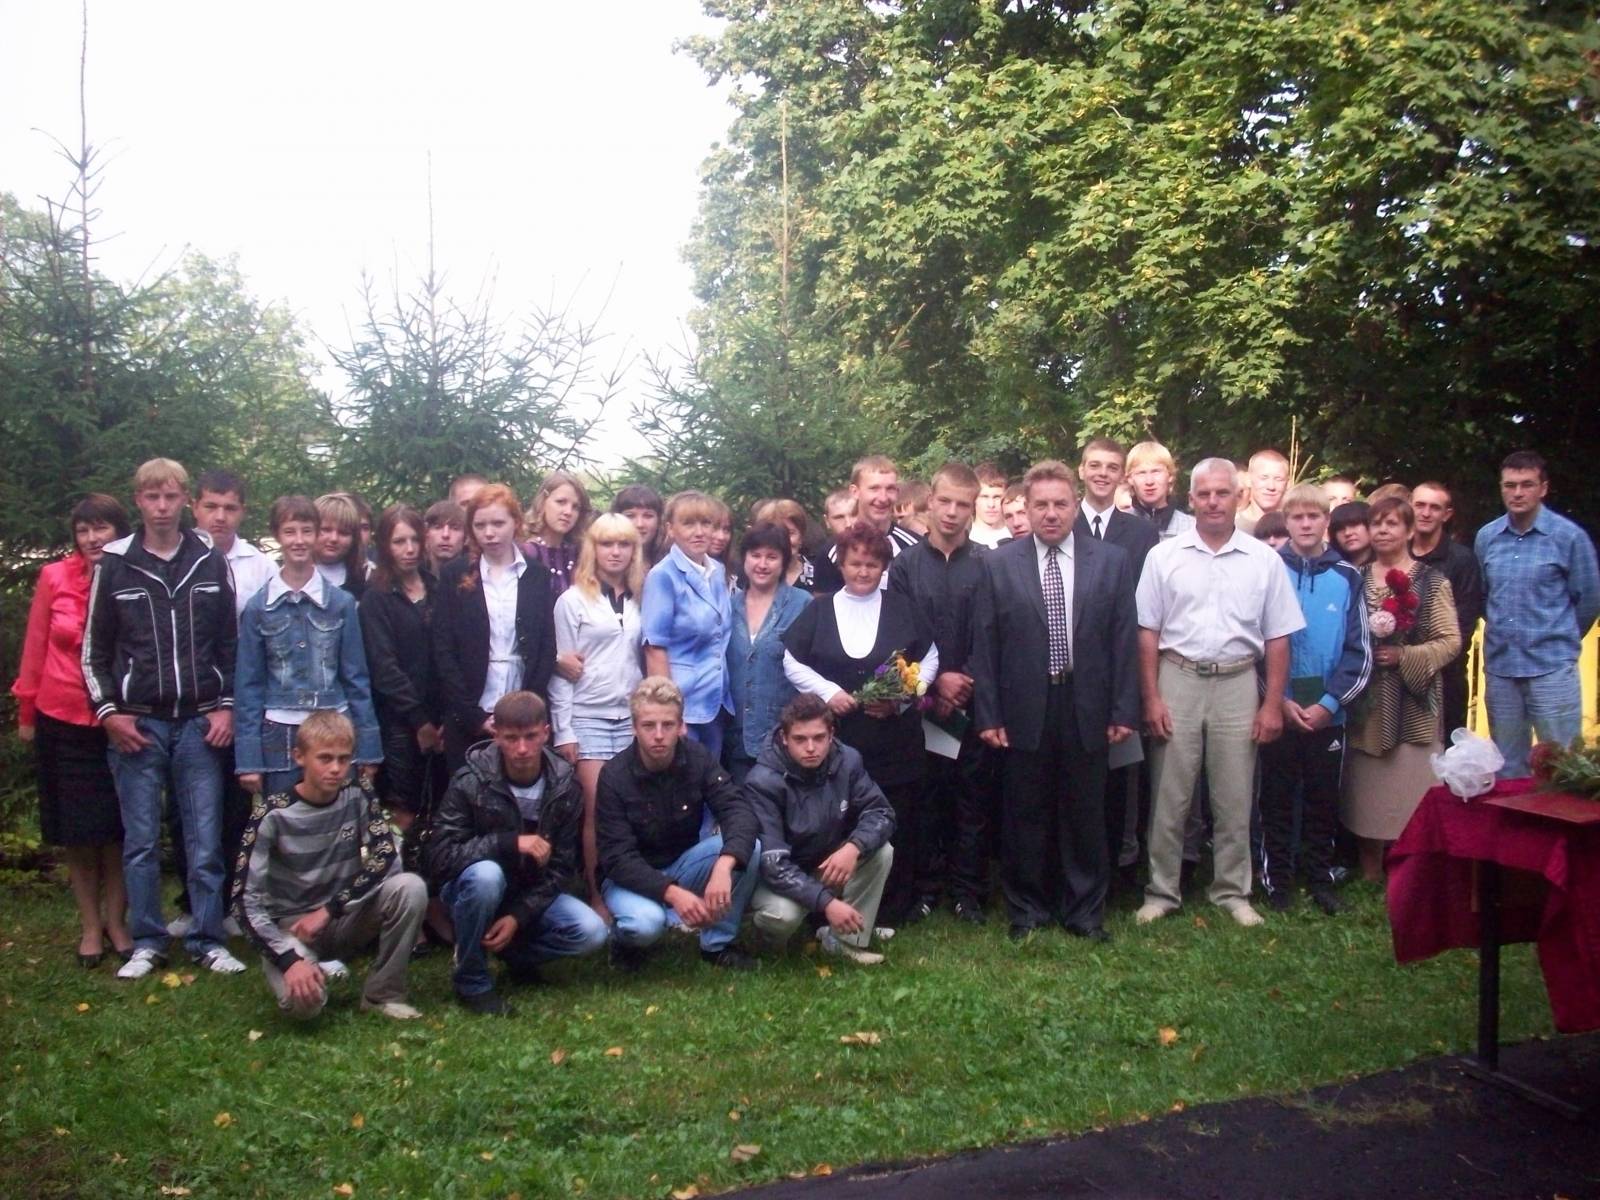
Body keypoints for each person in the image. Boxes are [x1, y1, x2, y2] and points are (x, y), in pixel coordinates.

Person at [82, 458, 244, 979]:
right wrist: (110, 713)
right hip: (138, 726)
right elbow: (93, 652)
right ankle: (148, 941)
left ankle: (208, 938)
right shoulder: (116, 564)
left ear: (184, 501)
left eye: (171, 497)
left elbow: (230, 644)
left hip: (199, 724)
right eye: (152, 497)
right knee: (142, 842)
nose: (161, 507)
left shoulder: (209, 561)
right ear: (138, 501)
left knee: (204, 841)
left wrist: (227, 706)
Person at [971, 460, 1139, 940]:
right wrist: (989, 714)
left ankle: (1084, 911)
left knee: (1085, 812)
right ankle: (1027, 910)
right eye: (1040, 504)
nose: (1050, 513)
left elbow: (1124, 639)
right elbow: (986, 645)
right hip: (1024, 705)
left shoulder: (1111, 561)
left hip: (1087, 704)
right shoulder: (998, 564)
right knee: (1026, 812)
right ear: (1025, 507)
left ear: (1075, 504)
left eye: (1060, 504)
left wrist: (1123, 709)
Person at [1134, 457, 1305, 928]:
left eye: (1222, 493)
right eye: (1204, 494)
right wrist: (1151, 698)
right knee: (1169, 794)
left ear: (1238, 497)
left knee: (1234, 794)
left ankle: (1232, 891)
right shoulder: (1163, 556)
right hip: (1177, 677)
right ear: (1191, 499)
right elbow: (1147, 632)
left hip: (1237, 682)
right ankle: (1161, 891)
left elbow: (1278, 637)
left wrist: (1272, 704)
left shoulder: (1264, 561)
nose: (1213, 502)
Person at [783, 521, 938, 926]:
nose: (863, 571)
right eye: (855, 564)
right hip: (838, 740)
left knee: (897, 817)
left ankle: (892, 910)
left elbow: (930, 658)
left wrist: (904, 697)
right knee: (839, 822)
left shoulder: (903, 607)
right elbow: (791, 660)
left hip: (894, 740)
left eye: (872, 564)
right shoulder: (820, 609)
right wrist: (828, 693)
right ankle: (830, 908)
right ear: (841, 566)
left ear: (883, 566)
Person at [233, 711, 427, 1020]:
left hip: (341, 916)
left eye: (343, 759)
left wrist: (329, 910)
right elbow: (244, 902)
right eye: (325, 758)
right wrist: (287, 959)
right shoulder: (271, 814)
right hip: (292, 929)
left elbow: (385, 858)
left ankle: (383, 994)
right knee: (305, 1007)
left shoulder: (358, 794)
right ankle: (301, 966)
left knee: (410, 887)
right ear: (299, 757)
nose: (336, 768)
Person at [425, 690, 608, 1015]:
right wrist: (507, 843)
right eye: (511, 738)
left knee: (591, 932)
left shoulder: (565, 785)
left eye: (530, 737)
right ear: (496, 735)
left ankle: (515, 954)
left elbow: (561, 867)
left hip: (529, 892)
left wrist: (518, 916)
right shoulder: (470, 780)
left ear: (546, 733)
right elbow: (439, 857)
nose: (522, 748)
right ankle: (471, 981)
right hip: (473, 889)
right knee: (487, 876)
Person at [12, 494, 133, 968]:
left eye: (101, 528)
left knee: (118, 829)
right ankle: (89, 926)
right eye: (83, 530)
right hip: (61, 717)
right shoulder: (54, 577)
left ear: (119, 531)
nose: (91, 538)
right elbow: (36, 644)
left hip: (118, 720)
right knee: (78, 833)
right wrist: (26, 713)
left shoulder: (132, 575)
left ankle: (118, 922)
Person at [594, 677, 760, 971]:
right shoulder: (613, 775)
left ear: (681, 726)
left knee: (751, 848)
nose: (658, 735)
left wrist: (724, 866)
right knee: (646, 924)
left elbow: (738, 810)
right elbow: (616, 859)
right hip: (627, 878)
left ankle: (718, 945)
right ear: (634, 728)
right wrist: (673, 894)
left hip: (682, 864)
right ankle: (624, 941)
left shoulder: (698, 758)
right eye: (648, 725)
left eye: (668, 725)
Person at [1258, 484, 1372, 914]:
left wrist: (1330, 703)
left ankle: (1321, 878)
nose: (1306, 525)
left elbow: (1360, 650)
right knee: (1276, 797)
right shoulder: (1267, 569)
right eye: (1297, 517)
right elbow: (1252, 642)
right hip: (1279, 709)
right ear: (1286, 521)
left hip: (1327, 713)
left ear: (1327, 521)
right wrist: (1276, 700)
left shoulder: (1348, 577)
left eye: (1314, 517)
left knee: (1323, 799)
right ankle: (1278, 880)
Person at [888, 463, 992, 922]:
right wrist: (936, 681)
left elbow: (993, 631)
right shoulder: (905, 566)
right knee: (926, 796)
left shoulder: (987, 563)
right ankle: (926, 887)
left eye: (962, 504)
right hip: (923, 700)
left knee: (973, 796)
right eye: (944, 501)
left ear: (973, 509)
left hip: (974, 698)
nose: (951, 512)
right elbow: (901, 632)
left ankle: (968, 890)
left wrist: (963, 678)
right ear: (929, 501)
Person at [234, 495, 383, 804]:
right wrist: (248, 758)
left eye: (306, 531)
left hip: (334, 728)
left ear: (316, 534)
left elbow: (356, 678)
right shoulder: (259, 607)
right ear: (277, 535)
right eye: (290, 532)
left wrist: (368, 747)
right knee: (283, 818)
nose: (299, 540)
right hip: (278, 733)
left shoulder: (341, 603)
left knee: (338, 820)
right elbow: (249, 685)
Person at [1343, 497, 1461, 879]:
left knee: (1412, 787)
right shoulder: (1354, 578)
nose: (1381, 530)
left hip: (1414, 700)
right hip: (1367, 701)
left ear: (1410, 531)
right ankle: (1369, 869)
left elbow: (1450, 641)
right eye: (1376, 523)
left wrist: (1405, 655)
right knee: (1367, 784)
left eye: (1391, 523)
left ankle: (1411, 871)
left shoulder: (1431, 581)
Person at [744, 694, 897, 965]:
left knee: (881, 851)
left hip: (824, 864)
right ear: (784, 738)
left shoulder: (848, 760)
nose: (811, 748)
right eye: (800, 739)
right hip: (777, 877)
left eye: (819, 738)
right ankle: (765, 943)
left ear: (831, 734)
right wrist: (828, 903)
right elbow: (773, 865)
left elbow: (882, 812)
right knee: (783, 916)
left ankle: (846, 941)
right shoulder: (762, 781)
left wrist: (854, 847)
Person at [1474, 451, 1599, 779]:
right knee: (1506, 768)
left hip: (1551, 669)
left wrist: (1556, 636)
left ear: (1543, 488)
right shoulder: (1487, 537)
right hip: (1502, 669)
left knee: (1564, 765)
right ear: (1501, 488)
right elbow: (1484, 596)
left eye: (1526, 485)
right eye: (1510, 485)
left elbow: (1588, 600)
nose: (1517, 493)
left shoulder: (1569, 537)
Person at [548, 514, 646, 924]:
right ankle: (595, 895)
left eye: (624, 544)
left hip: (631, 716)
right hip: (588, 715)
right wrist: (564, 730)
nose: (615, 552)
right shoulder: (572, 600)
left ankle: (634, 889)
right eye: (607, 544)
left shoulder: (642, 597)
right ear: (593, 549)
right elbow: (561, 670)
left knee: (632, 808)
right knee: (595, 810)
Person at [432, 485, 557, 774]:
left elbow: (545, 647)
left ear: (516, 522)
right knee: (469, 789)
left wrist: (528, 707)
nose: (489, 533)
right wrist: (472, 715)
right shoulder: (456, 574)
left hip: (524, 707)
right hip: (469, 709)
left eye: (498, 523)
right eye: (480, 525)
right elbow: (443, 649)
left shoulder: (536, 575)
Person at [359, 504, 446, 834]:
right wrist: (419, 720)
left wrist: (445, 718)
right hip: (399, 721)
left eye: (414, 540)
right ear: (385, 545)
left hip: (443, 718)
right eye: (399, 541)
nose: (409, 549)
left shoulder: (438, 589)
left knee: (442, 807)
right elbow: (384, 667)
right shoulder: (377, 598)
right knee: (403, 810)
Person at [641, 490, 733, 759]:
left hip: (716, 701)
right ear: (671, 529)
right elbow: (654, 647)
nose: (699, 532)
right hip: (683, 703)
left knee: (711, 779)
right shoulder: (663, 576)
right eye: (689, 523)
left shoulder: (717, 571)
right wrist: (668, 712)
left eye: (706, 523)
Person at [726, 523, 810, 783]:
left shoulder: (802, 604)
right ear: (744, 558)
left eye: (772, 557)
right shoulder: (727, 606)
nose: (762, 564)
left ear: (784, 561)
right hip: (734, 739)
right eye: (756, 555)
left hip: (783, 737)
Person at [1410, 481, 1485, 737]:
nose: (1426, 513)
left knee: (1446, 753)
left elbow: (1463, 625)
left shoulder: (1462, 560)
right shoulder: (1394, 553)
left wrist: (1421, 657)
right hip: (1396, 678)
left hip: (1446, 677)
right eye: (1420, 505)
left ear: (1447, 514)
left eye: (1434, 507)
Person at [814, 455, 922, 592]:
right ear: (855, 492)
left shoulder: (915, 547)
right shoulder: (832, 552)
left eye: (890, 489)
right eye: (874, 488)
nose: (883, 498)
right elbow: (824, 604)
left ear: (897, 492)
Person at [193, 470, 274, 618]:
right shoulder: (175, 558)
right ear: (195, 508)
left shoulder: (263, 567)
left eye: (230, 508)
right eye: (211, 507)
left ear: (243, 512)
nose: (220, 517)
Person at [524, 470, 592, 601]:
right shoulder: (527, 553)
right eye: (561, 502)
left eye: (575, 507)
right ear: (543, 501)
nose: (568, 512)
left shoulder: (579, 554)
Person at [1125, 440, 1196, 542]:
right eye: (1141, 473)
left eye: (1156, 471)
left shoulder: (1191, 528)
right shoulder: (1117, 527)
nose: (1149, 481)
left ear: (1170, 475)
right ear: (1130, 479)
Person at [752, 498, 820, 592]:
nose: (784, 540)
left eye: (790, 533)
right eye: (776, 533)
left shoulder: (820, 575)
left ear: (801, 536)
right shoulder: (748, 576)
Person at [313, 492, 369, 600]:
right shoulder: (292, 578)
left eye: (343, 533)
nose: (334, 538)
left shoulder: (367, 581)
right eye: (326, 530)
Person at [1236, 449, 1290, 535]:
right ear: (1248, 480)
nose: (1271, 486)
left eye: (1278, 479)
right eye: (1264, 478)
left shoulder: (1295, 528)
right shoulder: (1230, 528)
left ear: (1288, 483)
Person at [612, 483, 667, 567]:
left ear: (659, 520)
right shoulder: (605, 564)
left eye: (648, 516)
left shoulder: (669, 563)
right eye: (630, 516)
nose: (639, 524)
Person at [422, 500, 467, 578]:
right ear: (426, 533)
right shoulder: (412, 576)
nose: (445, 535)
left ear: (466, 536)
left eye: (455, 528)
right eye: (437, 527)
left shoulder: (476, 576)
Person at [970, 463, 1010, 549]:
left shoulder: (1017, 535)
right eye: (984, 497)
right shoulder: (962, 539)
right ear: (973, 498)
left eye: (997, 497)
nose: (991, 505)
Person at [1329, 501, 1373, 568]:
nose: (1347, 533)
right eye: (1339, 528)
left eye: (1353, 525)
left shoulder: (1386, 567)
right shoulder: (1329, 569)